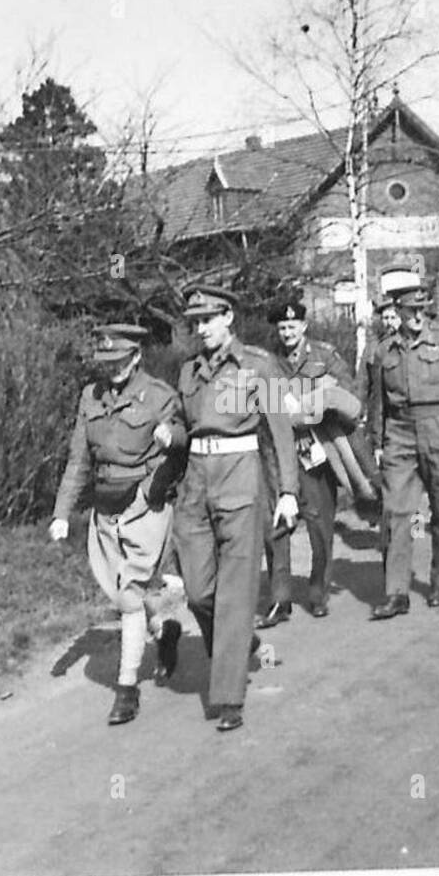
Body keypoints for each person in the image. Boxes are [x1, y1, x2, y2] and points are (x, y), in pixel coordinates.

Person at [171, 284, 299, 732]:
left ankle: (228, 697)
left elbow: (281, 430)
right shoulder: (188, 371)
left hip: (240, 476)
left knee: (235, 592)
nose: (200, 329)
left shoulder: (257, 365)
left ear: (229, 317)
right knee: (198, 591)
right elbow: (182, 426)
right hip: (194, 481)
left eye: (207, 319)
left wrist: (288, 491)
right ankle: (241, 639)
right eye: (194, 322)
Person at [50, 324, 187, 726]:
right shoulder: (90, 397)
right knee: (123, 589)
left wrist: (172, 437)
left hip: (145, 501)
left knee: (129, 594)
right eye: (106, 361)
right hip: (104, 505)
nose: (112, 369)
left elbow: (184, 440)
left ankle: (127, 689)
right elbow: (79, 460)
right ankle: (163, 632)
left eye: (119, 361)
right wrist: (61, 512)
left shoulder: (159, 395)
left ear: (136, 356)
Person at [368, 284, 439, 617]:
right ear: (396, 312)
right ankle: (397, 592)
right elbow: (378, 402)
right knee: (395, 511)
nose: (417, 316)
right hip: (399, 433)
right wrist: (378, 441)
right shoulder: (384, 350)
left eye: (422, 309)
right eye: (410, 311)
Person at [259, 297, 358, 623]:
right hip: (277, 451)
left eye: (292, 326)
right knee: (278, 526)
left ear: (304, 326)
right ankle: (280, 599)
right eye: (282, 327)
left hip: (314, 449)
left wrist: (313, 401)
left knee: (319, 523)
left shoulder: (324, 355)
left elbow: (348, 392)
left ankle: (318, 592)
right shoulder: (268, 361)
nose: (287, 332)